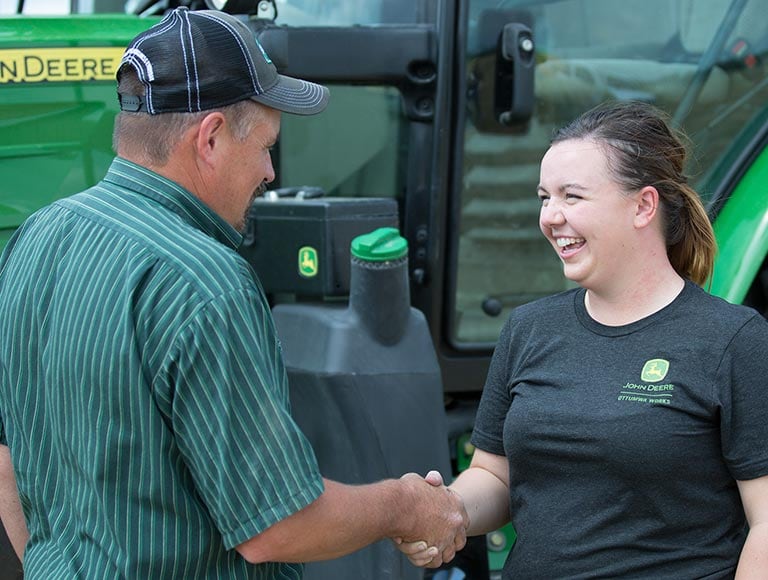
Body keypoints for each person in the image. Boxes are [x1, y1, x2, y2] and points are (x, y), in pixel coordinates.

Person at [0, 7, 467, 578]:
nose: (270, 171)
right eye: (266, 145)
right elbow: (277, 525)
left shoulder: (36, 237)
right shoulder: (204, 282)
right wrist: (405, 504)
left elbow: (6, 457)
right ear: (212, 138)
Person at [399, 100, 768, 577]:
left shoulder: (733, 340)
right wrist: (449, 509)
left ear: (643, 205)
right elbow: (494, 475)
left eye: (571, 197)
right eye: (543, 197)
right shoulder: (529, 329)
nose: (550, 216)